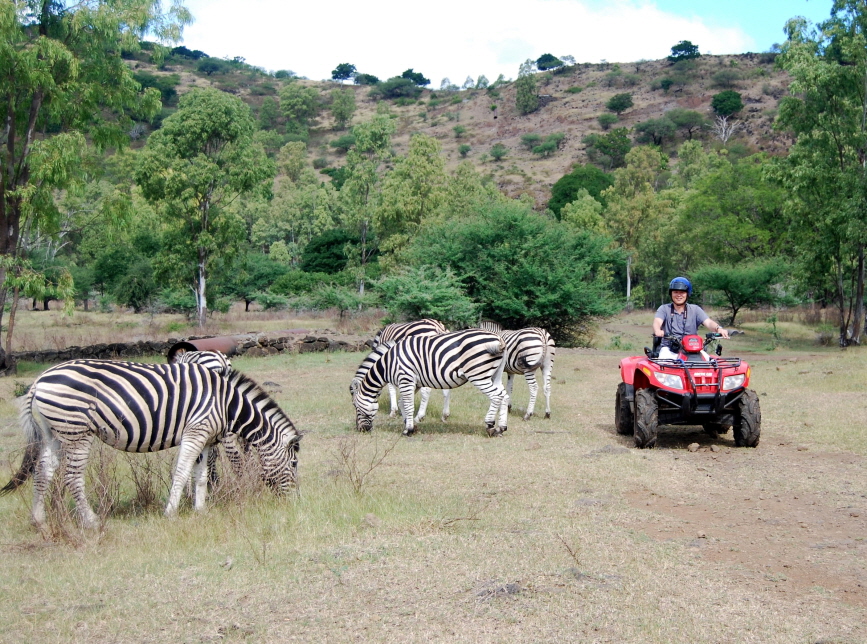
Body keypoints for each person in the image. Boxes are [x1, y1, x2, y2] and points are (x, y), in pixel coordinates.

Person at [653, 277, 729, 359]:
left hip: (693, 349)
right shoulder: (664, 308)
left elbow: (708, 322)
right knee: (665, 366)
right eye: (675, 292)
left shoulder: (695, 309)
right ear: (671, 294)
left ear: (687, 294)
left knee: (711, 364)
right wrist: (657, 330)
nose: (678, 295)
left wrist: (718, 328)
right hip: (669, 349)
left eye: (682, 292)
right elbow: (657, 321)